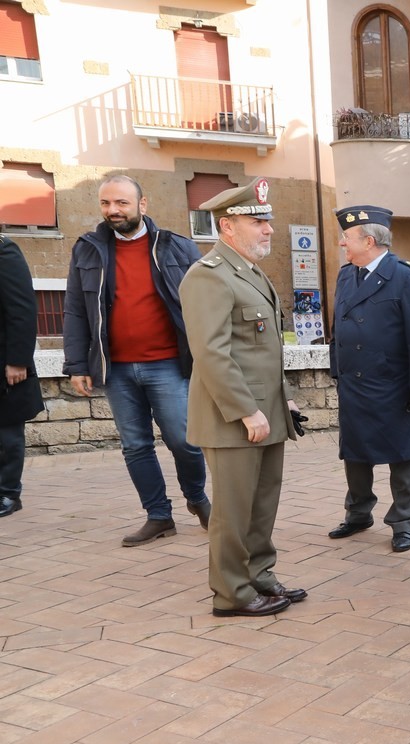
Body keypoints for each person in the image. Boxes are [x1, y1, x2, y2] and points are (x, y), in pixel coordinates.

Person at [180, 178, 304, 618]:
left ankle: (259, 574)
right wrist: (247, 410)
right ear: (227, 226)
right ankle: (232, 593)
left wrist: (282, 400)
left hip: (264, 412)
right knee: (232, 513)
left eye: (267, 220)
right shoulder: (208, 276)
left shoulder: (249, 273)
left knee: (261, 504)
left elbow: (263, 352)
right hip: (233, 416)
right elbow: (211, 354)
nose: (268, 229)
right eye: (257, 221)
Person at [63, 174, 210, 546]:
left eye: (122, 203)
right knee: (135, 446)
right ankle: (158, 515)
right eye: (106, 203)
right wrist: (77, 365)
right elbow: (76, 311)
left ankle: (197, 498)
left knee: (184, 441)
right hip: (117, 369)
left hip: (169, 365)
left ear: (142, 205)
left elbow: (205, 305)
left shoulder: (177, 247)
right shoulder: (87, 249)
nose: (113, 210)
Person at [327, 205, 410, 554]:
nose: (342, 244)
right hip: (356, 385)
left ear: (369, 240)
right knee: (355, 455)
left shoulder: (407, 277)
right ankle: (359, 513)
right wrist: (337, 371)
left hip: (393, 387)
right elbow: (338, 329)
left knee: (402, 457)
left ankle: (402, 522)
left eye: (347, 238)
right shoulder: (347, 275)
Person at [0, 234, 42, 517]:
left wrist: (18, 361)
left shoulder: (4, 250)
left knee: (6, 431)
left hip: (4, 361)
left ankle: (8, 493)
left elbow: (22, 308)